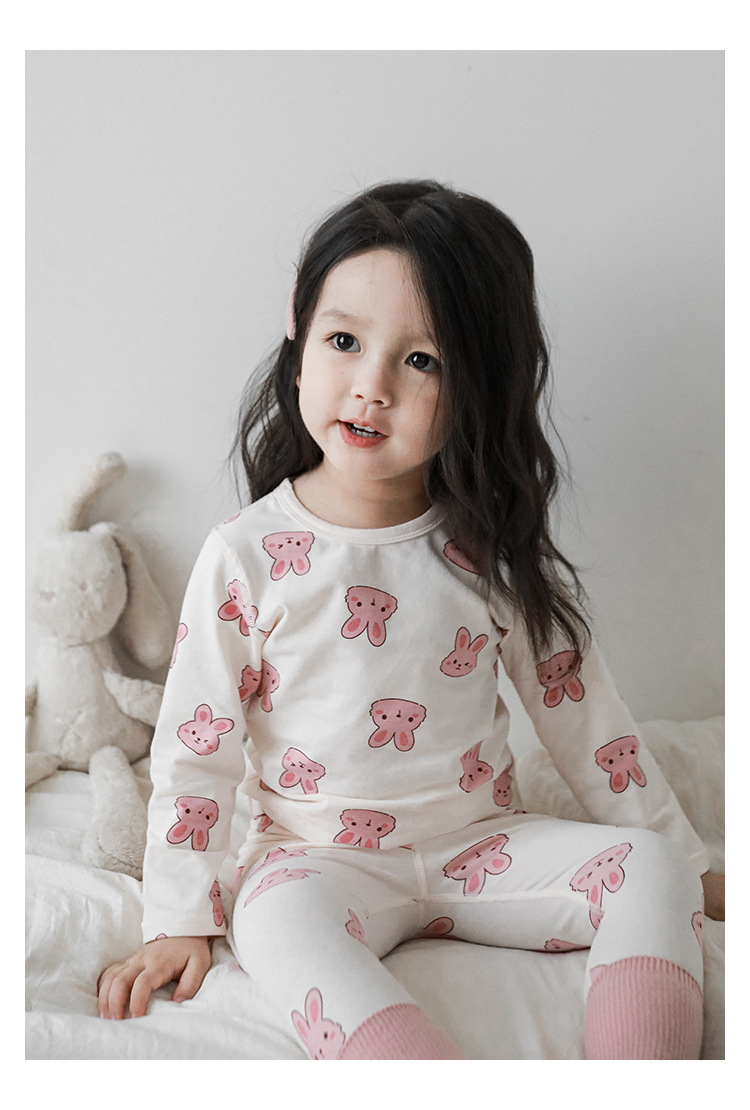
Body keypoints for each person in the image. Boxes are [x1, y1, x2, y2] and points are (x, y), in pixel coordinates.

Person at [97, 180, 724, 1059]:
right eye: (345, 342)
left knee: (654, 872)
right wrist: (178, 916)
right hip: (314, 862)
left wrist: (686, 864)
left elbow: (587, 719)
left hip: (483, 846)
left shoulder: (490, 551)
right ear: (298, 337)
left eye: (421, 360)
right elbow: (196, 749)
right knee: (272, 921)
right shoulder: (246, 554)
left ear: (477, 383)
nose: (372, 387)